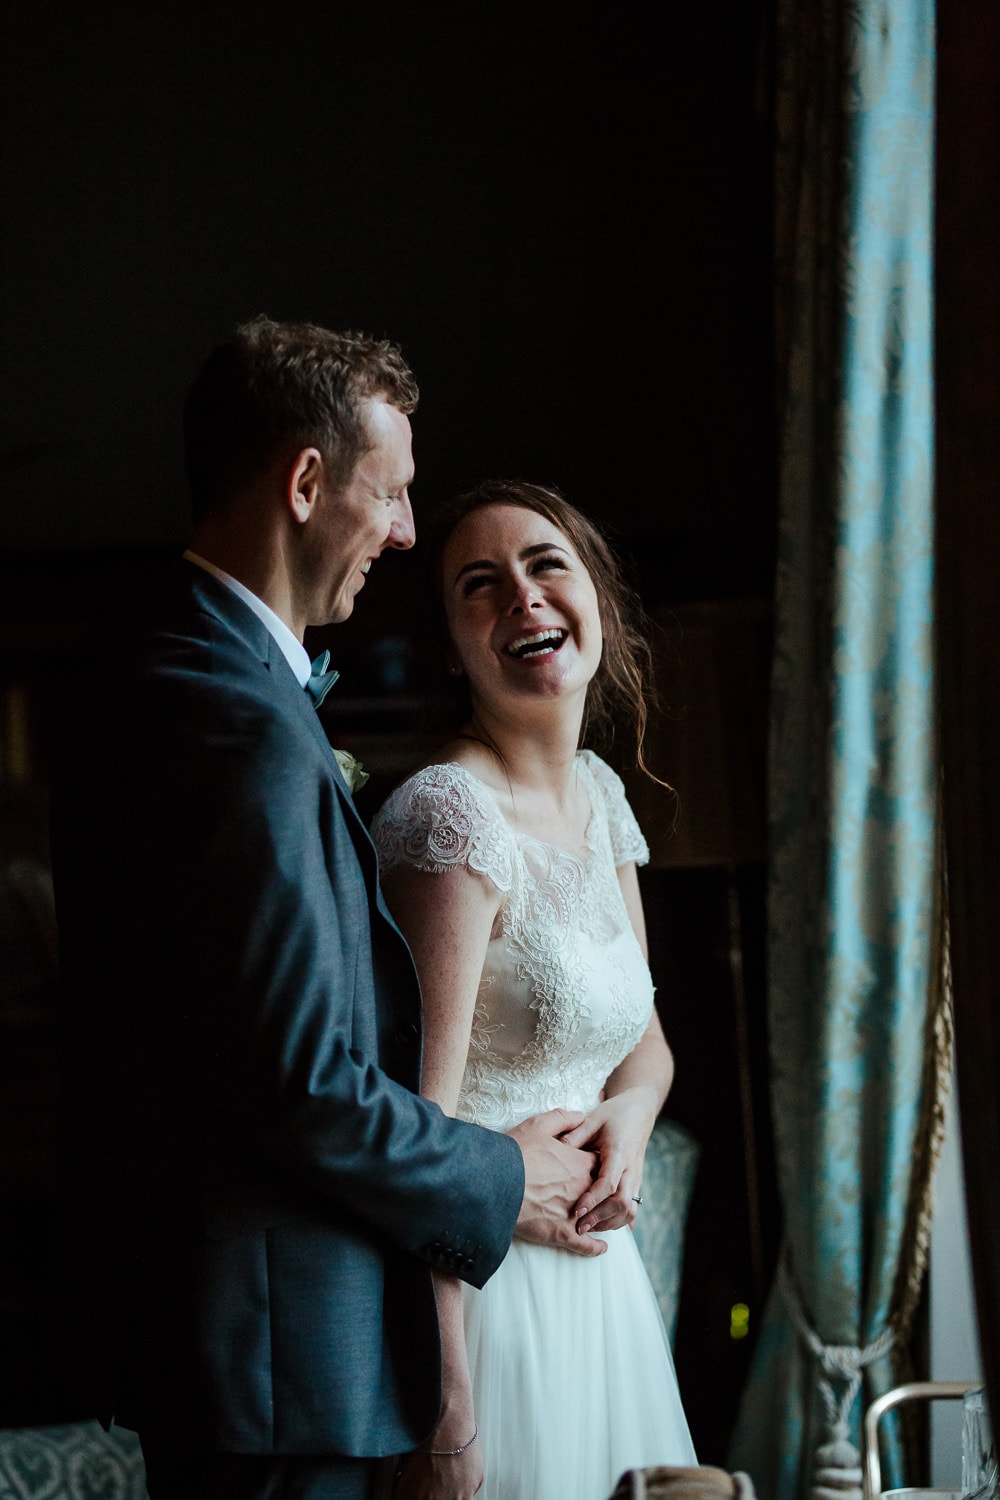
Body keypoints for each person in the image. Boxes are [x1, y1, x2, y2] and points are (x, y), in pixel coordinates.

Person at [50, 321, 604, 1500]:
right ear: (307, 484)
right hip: (276, 1358)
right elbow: (297, 1081)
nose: (402, 531)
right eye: (391, 494)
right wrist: (500, 1172)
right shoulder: (226, 717)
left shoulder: (214, 683)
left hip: (280, 1353)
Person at [371, 480, 697, 1500]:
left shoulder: (598, 794)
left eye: (545, 564)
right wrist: (448, 1401)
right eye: (482, 584)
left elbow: (643, 1046)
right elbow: (410, 1135)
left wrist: (631, 1129)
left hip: (603, 1294)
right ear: (453, 643)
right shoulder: (446, 817)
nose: (524, 597)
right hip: (488, 1297)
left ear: (593, 589)